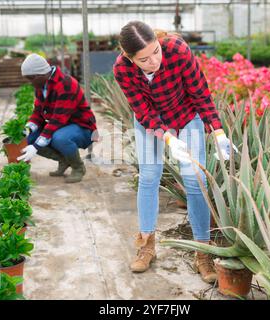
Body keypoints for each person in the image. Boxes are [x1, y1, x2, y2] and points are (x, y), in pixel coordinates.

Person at [113, 21, 237, 283]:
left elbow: (201, 93)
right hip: (151, 122)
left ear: (159, 42)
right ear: (129, 57)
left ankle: (202, 252)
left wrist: (218, 132)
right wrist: (167, 137)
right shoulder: (122, 70)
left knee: (196, 180)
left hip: (185, 114)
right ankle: (147, 244)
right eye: (144, 59)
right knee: (149, 177)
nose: (153, 61)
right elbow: (142, 111)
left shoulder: (178, 50)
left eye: (156, 51)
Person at [18, 53, 97, 183]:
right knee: (31, 138)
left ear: (40, 75)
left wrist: (36, 146)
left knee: (59, 138)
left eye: (30, 78)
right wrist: (29, 128)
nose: (29, 82)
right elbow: (38, 113)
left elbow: (58, 120)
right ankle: (64, 160)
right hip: (63, 125)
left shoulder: (66, 84)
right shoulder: (40, 86)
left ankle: (78, 167)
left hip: (83, 127)